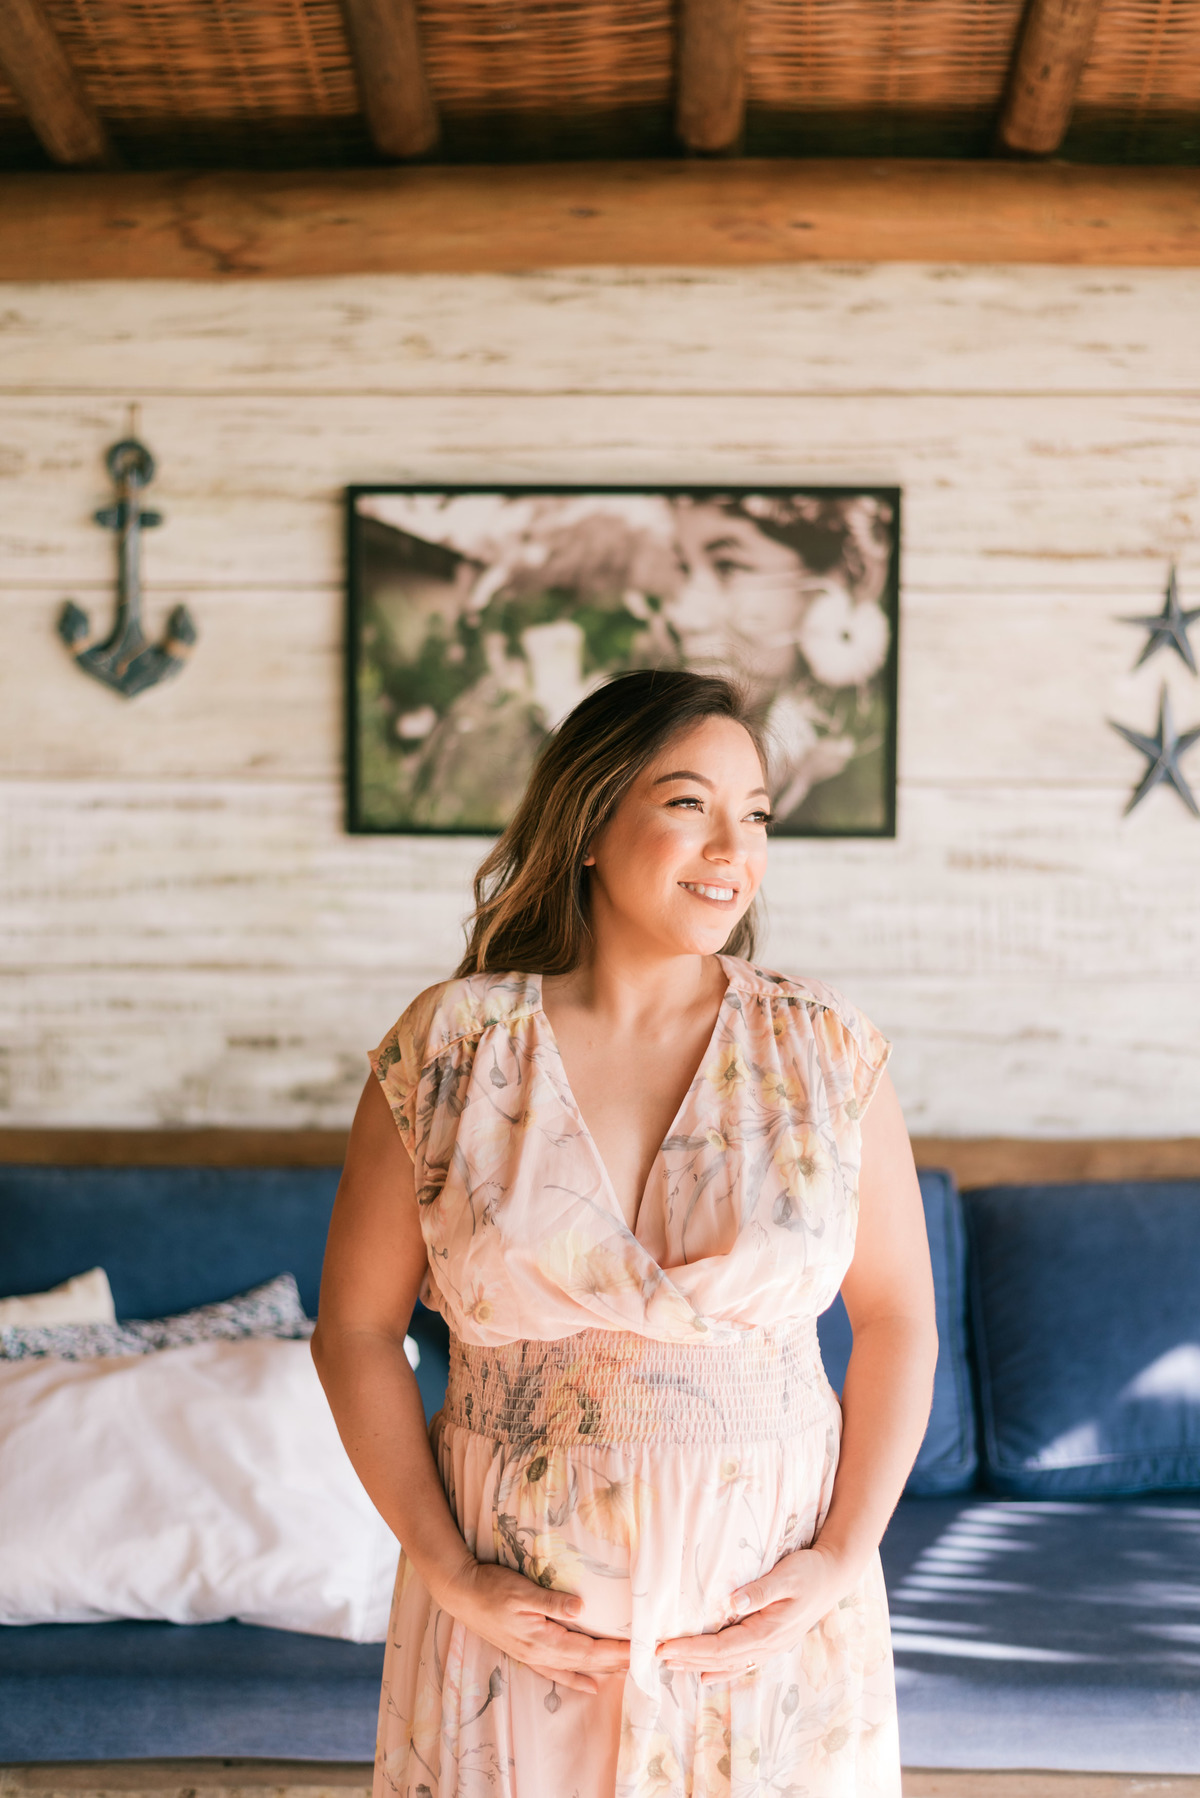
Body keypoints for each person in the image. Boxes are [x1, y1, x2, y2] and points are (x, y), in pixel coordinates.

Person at [312, 668, 938, 1798]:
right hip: (514, 1628)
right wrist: (450, 1574)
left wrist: (843, 1559)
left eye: (756, 814)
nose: (732, 848)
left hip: (768, 1626)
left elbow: (897, 1320)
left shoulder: (826, 1049)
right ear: (591, 822)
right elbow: (354, 1331)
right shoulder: (452, 1049)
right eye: (690, 803)